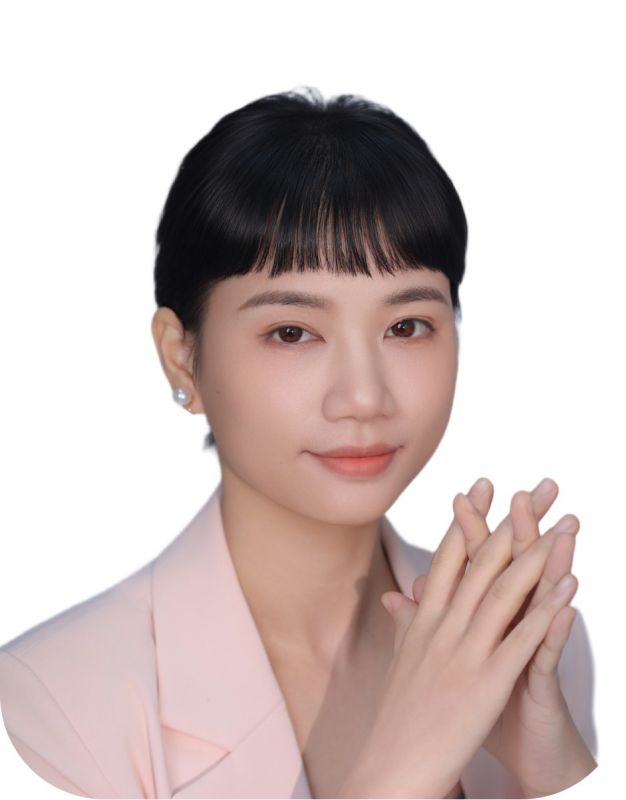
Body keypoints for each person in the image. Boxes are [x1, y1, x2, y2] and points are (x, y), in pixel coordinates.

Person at [0, 87, 597, 799]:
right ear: (182, 358)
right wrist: (405, 766)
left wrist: (555, 767)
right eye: (292, 332)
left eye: (406, 326)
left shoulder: (529, 645)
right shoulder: (47, 708)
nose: (364, 397)